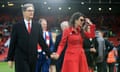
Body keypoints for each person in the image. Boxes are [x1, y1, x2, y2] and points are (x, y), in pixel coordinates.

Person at [7, 3, 52, 72]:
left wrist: (49, 53)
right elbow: (12, 43)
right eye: (29, 11)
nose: (32, 12)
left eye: (33, 11)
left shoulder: (37, 26)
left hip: (33, 58)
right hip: (20, 58)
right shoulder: (17, 26)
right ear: (24, 12)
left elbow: (42, 42)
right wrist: (10, 58)